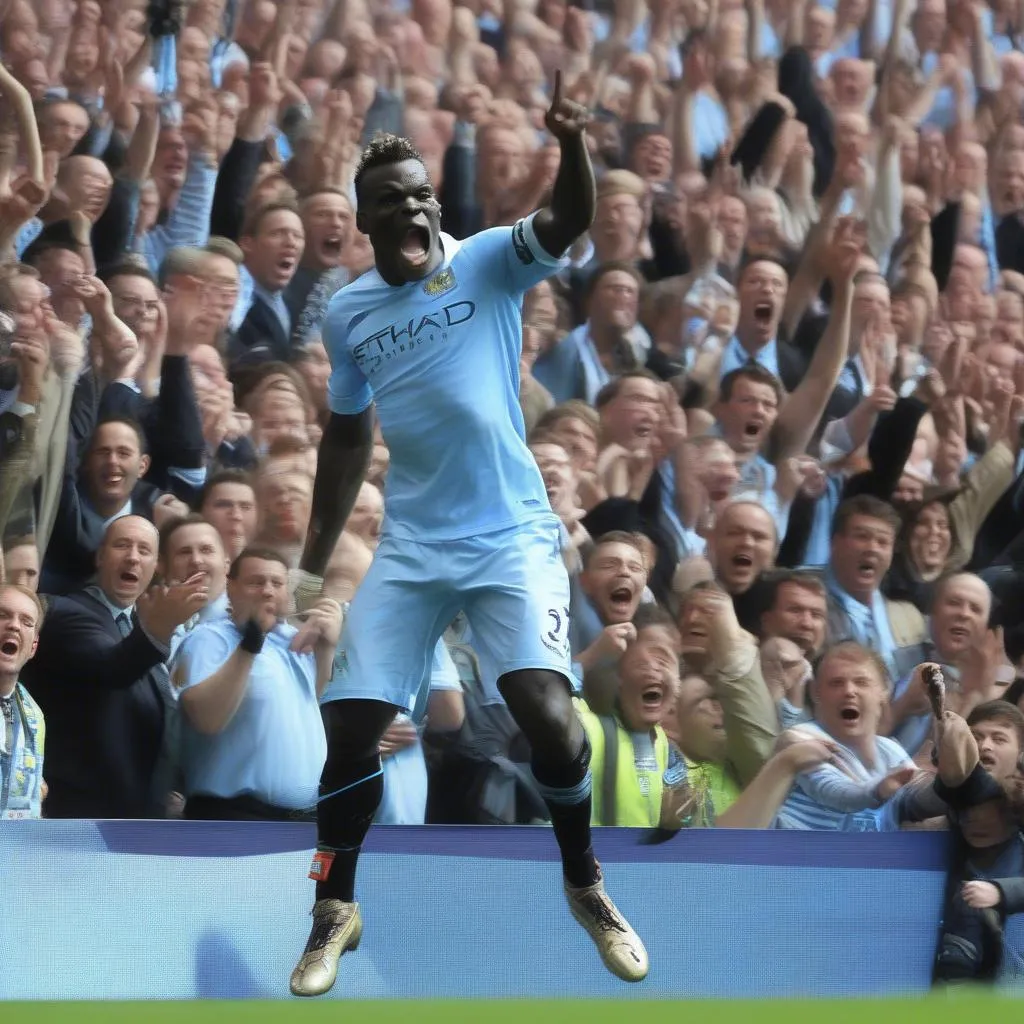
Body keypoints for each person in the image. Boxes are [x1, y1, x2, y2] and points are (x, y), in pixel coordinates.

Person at [289, 77, 651, 997]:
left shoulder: (488, 260)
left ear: (432, 204)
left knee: (550, 721)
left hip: (509, 537)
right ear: (366, 222)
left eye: (420, 194)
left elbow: (568, 216)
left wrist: (572, 145)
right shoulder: (349, 312)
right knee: (350, 731)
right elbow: (344, 434)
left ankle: (584, 882)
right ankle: (332, 908)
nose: (411, 206)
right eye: (391, 201)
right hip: (412, 544)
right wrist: (307, 564)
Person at [0, 583, 46, 819]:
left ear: (33, 647)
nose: (14, 625)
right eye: (2, 615)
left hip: (16, 850)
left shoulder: (34, 716)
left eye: (27, 622)